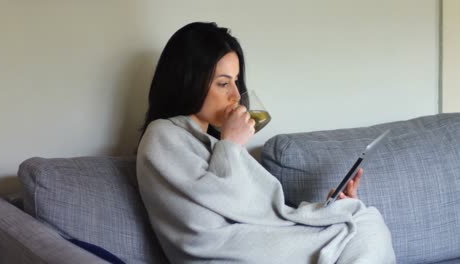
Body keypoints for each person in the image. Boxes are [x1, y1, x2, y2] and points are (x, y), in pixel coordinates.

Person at [136, 22, 395, 263]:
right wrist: (231, 144)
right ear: (188, 82)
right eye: (223, 83)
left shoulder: (212, 143)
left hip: (254, 243)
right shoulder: (161, 135)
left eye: (236, 82)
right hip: (226, 252)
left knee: (360, 218)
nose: (236, 95)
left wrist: (327, 210)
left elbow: (263, 213)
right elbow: (203, 220)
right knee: (364, 226)